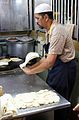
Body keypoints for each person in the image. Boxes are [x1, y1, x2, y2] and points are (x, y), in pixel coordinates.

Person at [20, 3, 77, 120]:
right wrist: (30, 68)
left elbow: (49, 62)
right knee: (52, 97)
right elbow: (45, 58)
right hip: (58, 67)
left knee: (60, 101)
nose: (36, 22)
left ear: (46, 17)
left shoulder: (57, 31)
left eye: (37, 18)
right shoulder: (49, 30)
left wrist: (30, 72)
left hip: (65, 69)